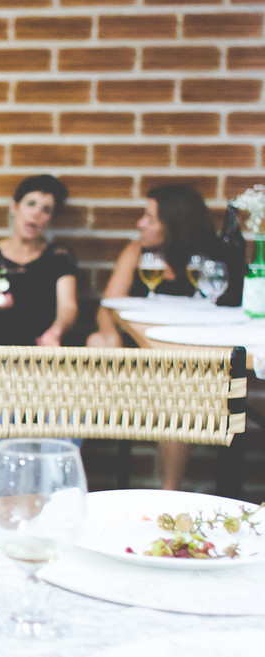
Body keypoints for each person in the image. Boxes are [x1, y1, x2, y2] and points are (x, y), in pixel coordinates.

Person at [87, 184, 219, 491]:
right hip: (139, 362)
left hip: (187, 364)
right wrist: (110, 337)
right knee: (98, 342)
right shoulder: (136, 253)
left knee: (180, 390)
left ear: (174, 223)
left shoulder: (206, 261)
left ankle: (169, 491)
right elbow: (108, 308)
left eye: (149, 217)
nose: (140, 223)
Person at [0, 175, 79, 496]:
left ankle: (53, 501)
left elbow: (68, 306)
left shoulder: (59, 256)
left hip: (43, 360)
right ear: (14, 207)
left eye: (46, 209)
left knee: (66, 413)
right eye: (31, 204)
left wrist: (56, 332)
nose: (36, 214)